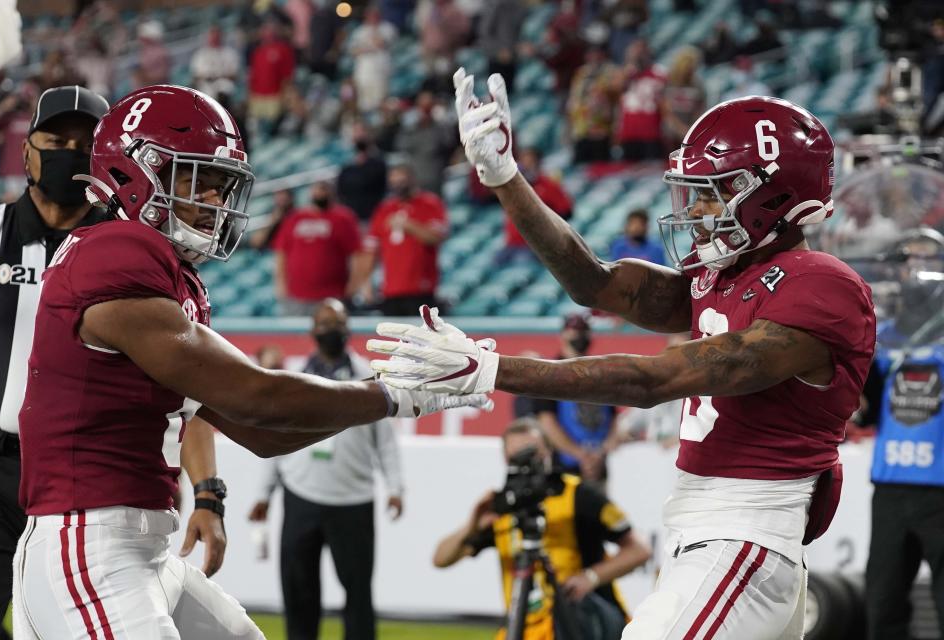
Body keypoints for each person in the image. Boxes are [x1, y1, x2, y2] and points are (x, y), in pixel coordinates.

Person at [370, 72, 877, 639]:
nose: (701, 207)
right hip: (712, 533)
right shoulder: (730, 273)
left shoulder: (823, 287)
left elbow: (652, 379)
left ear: (776, 193)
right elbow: (597, 283)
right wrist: (506, 178)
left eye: (717, 189)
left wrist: (492, 369)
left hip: (746, 532)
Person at [10, 85, 488, 640]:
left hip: (144, 549)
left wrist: (386, 398)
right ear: (136, 172)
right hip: (88, 547)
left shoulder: (161, 269)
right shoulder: (114, 253)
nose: (216, 201)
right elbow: (255, 395)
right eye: (200, 181)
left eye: (221, 185)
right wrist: (394, 394)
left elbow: (264, 432)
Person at [0, 85, 225, 639]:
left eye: (82, 141)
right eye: (54, 139)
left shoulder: (139, 248)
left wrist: (209, 491)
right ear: (26, 151)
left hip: (86, 477)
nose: (68, 151)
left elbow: (193, 383)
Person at [249, 299, 404, 640]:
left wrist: (396, 488)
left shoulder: (371, 378)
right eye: (324, 324)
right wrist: (264, 494)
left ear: (348, 329)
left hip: (354, 498)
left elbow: (386, 441)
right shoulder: (294, 378)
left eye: (337, 323)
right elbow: (278, 438)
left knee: (358, 591)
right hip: (300, 493)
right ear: (312, 331)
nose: (330, 330)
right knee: (299, 590)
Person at [432, 418, 652, 640]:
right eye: (516, 457)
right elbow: (441, 559)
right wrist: (472, 524)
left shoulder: (579, 495)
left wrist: (590, 578)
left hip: (580, 623)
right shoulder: (504, 508)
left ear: (549, 452)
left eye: (532, 454)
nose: (526, 464)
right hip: (528, 629)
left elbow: (640, 550)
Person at [864, 229, 944, 639]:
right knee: (882, 603)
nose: (916, 268)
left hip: (941, 487)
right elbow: (867, 411)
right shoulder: (886, 334)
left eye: (927, 259)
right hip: (891, 486)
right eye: (908, 260)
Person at [533, 314, 617, 485]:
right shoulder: (550, 373)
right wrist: (580, 454)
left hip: (599, 467)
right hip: (565, 469)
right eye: (575, 331)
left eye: (583, 331)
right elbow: (546, 421)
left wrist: (602, 451)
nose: (580, 336)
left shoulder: (601, 373)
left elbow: (613, 418)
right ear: (563, 335)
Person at [357, 163, 448, 316]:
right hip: (390, 289)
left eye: (402, 181)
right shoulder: (384, 209)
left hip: (421, 287)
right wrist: (365, 282)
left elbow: (435, 237)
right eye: (394, 182)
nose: (398, 186)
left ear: (412, 180)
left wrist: (409, 225)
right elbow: (372, 249)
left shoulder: (429, 203)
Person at [272, 181, 363, 316]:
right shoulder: (295, 218)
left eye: (324, 190)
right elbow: (281, 252)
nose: (320, 194)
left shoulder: (343, 218)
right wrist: (280, 283)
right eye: (317, 190)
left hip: (332, 294)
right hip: (297, 295)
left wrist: (354, 284)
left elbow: (356, 253)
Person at [496, 147, 574, 266]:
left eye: (529, 161)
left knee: (521, 266)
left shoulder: (548, 185)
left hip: (534, 246)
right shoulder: (512, 187)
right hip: (512, 244)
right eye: (523, 161)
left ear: (537, 163)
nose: (525, 166)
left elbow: (566, 211)